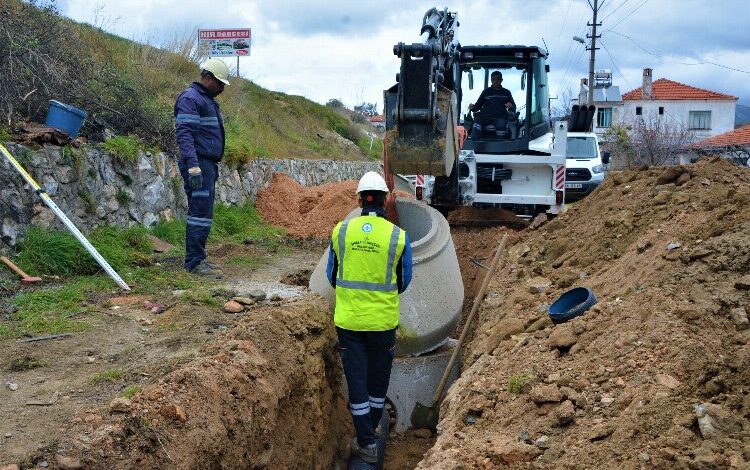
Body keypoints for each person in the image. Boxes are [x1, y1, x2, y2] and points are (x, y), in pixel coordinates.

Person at [326, 171, 413, 464]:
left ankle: (365, 441)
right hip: (382, 323)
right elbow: (404, 280)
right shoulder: (397, 236)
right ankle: (369, 435)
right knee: (377, 382)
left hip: (349, 322)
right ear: (387, 200)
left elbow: (331, 276)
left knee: (357, 382)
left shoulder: (341, 231)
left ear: (360, 200)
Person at [173, 58, 230, 277]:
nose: (222, 88)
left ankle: (198, 258)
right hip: (199, 163)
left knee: (203, 213)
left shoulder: (204, 99)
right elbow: (185, 134)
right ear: (207, 78)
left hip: (206, 163)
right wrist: (194, 166)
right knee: (199, 213)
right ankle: (194, 263)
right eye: (220, 83)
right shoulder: (191, 98)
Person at [468, 70, 516, 139]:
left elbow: (513, 107)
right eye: (493, 79)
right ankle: (474, 143)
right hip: (486, 117)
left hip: (500, 117)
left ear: (501, 80)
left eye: (498, 79)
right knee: (477, 121)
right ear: (491, 80)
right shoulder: (486, 92)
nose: (495, 81)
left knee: (501, 123)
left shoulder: (506, 93)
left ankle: (501, 145)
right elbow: (477, 106)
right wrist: (472, 107)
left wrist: (511, 106)